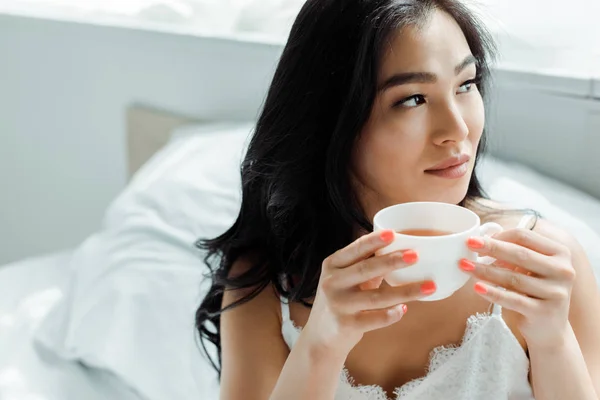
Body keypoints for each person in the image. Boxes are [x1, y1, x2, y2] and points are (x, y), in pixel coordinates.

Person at [196, 0, 600, 398]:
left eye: (466, 85)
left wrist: (554, 342)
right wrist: (320, 347)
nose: (457, 129)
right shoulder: (266, 284)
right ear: (330, 121)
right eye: (413, 99)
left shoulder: (541, 269)